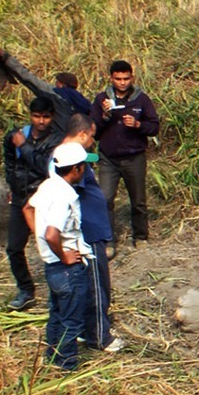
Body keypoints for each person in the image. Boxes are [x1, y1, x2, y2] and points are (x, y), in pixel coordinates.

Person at [25, 142, 97, 371]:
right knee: (71, 321)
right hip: (66, 268)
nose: (85, 170)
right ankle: (67, 366)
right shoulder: (64, 194)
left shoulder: (47, 186)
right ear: (75, 169)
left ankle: (51, 357)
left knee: (56, 314)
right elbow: (51, 233)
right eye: (84, 166)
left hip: (51, 267)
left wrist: (38, 235)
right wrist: (64, 256)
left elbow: (27, 208)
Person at [56, 113, 125, 353]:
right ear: (83, 134)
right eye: (91, 137)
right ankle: (99, 336)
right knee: (97, 286)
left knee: (89, 285)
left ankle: (88, 330)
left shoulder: (67, 157)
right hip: (88, 233)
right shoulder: (70, 163)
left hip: (90, 229)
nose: (92, 142)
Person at [2, 96, 64, 310]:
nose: (41, 121)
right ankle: (26, 290)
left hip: (42, 199)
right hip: (20, 199)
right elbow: (9, 162)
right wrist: (12, 186)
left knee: (48, 246)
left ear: (52, 117)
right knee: (14, 247)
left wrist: (25, 146)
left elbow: (44, 166)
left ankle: (56, 292)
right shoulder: (16, 136)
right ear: (30, 115)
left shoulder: (56, 141)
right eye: (37, 116)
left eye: (46, 117)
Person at [90, 60, 159, 249]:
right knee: (105, 199)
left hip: (134, 157)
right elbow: (93, 132)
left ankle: (140, 237)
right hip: (108, 159)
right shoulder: (101, 99)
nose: (122, 82)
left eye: (126, 78)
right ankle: (109, 240)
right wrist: (105, 116)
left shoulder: (141, 99)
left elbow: (154, 127)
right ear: (111, 78)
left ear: (132, 77)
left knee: (138, 200)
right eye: (118, 79)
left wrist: (138, 125)